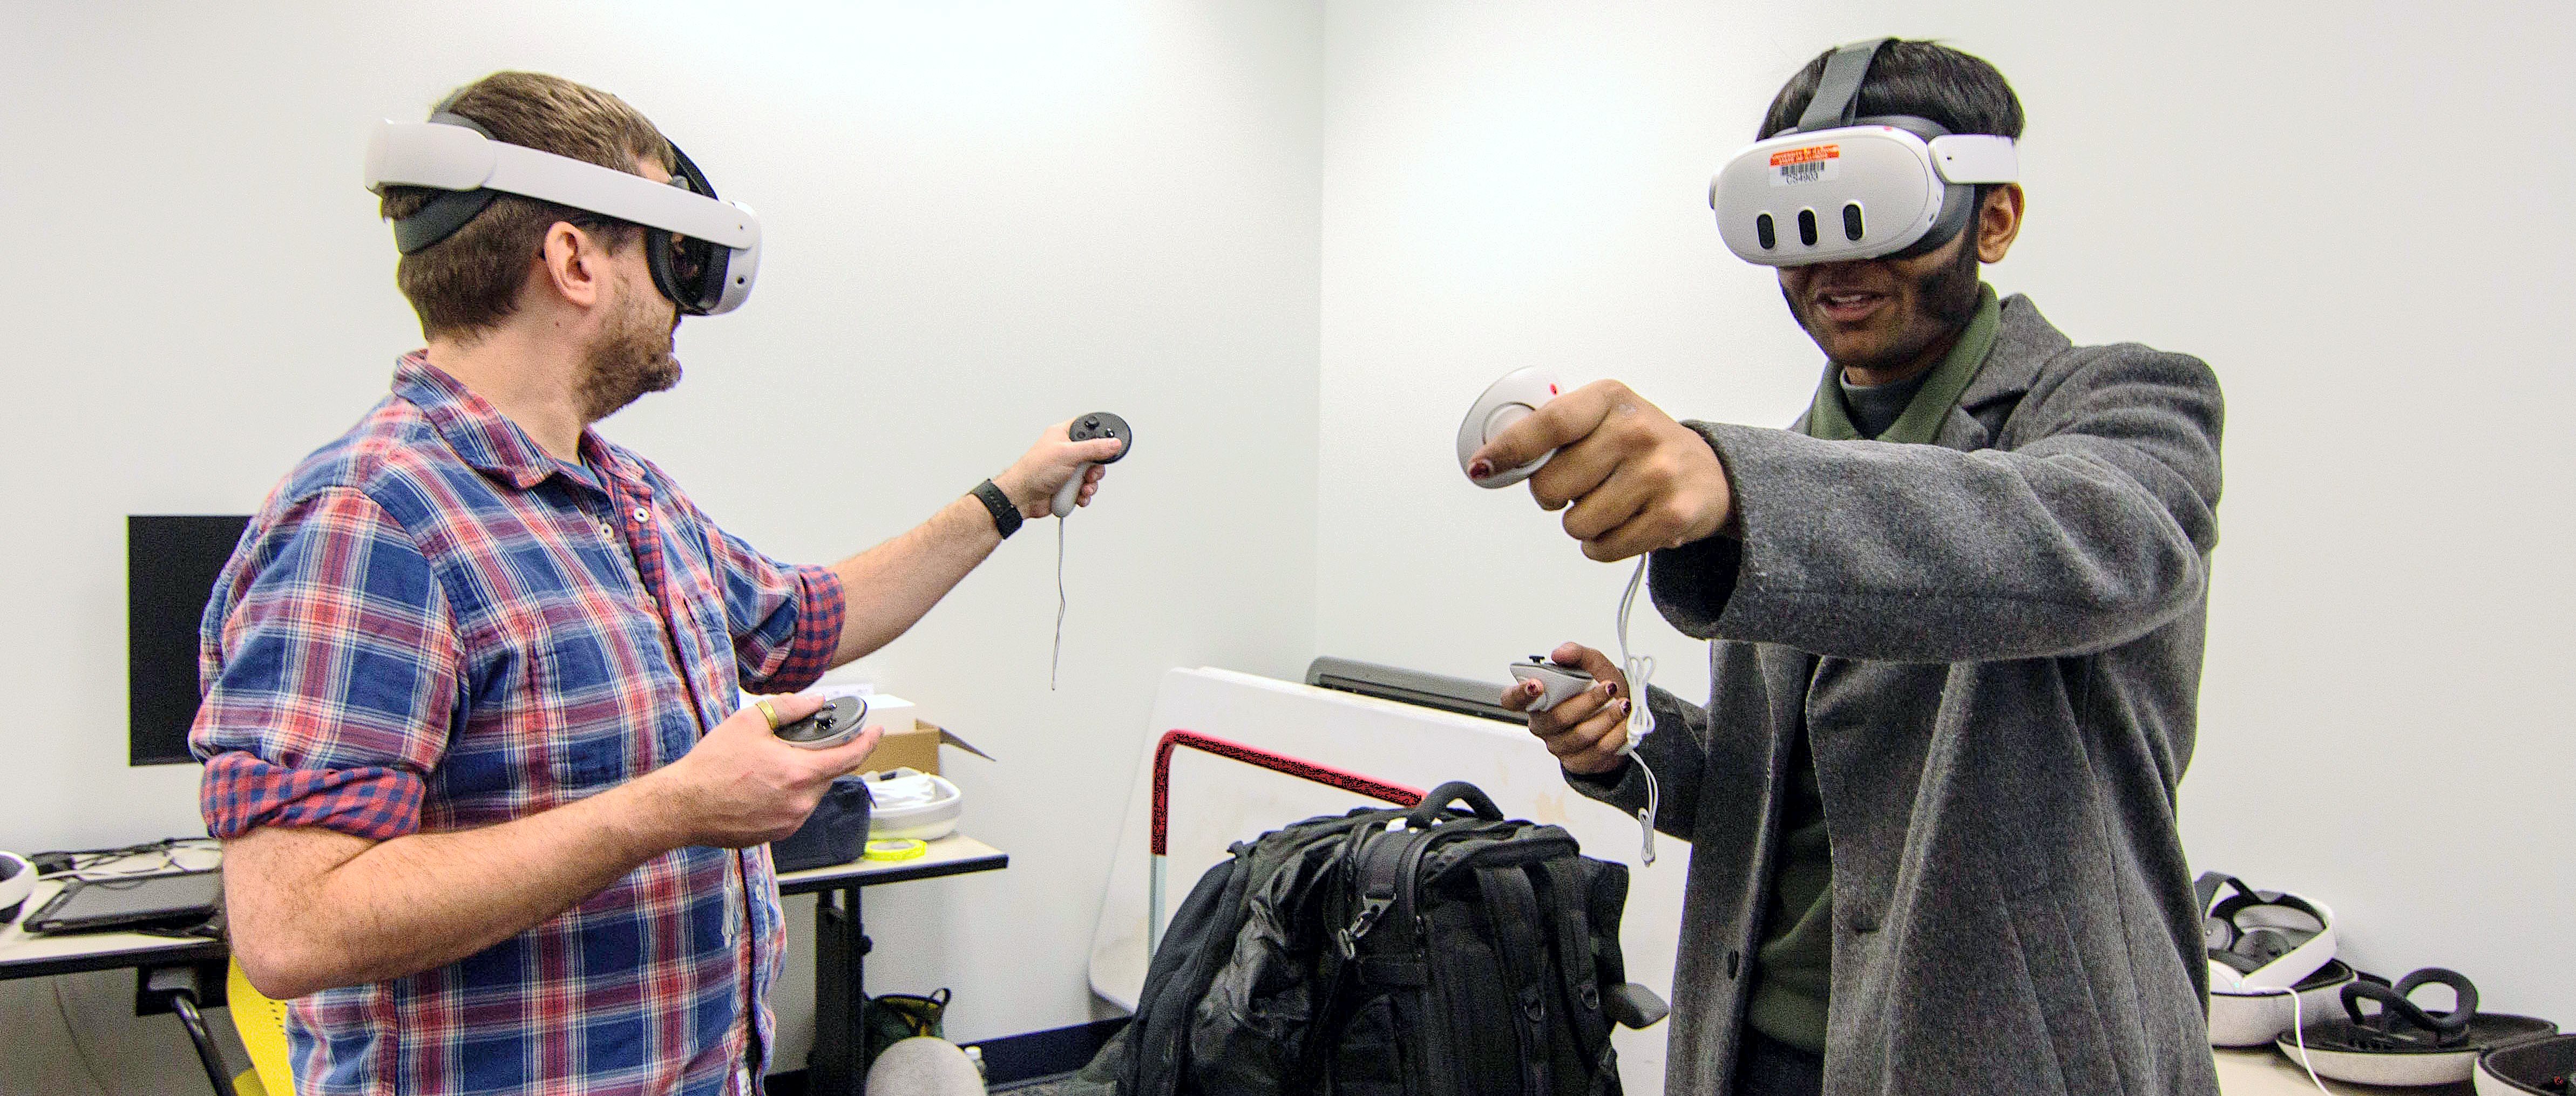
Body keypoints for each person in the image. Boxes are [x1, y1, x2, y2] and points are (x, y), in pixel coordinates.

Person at [190, 71, 1120, 1095]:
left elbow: (806, 621)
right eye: (669, 256)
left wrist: (1009, 497)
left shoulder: (625, 497)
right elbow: (294, 922)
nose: (687, 300)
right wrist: (675, 807)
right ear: (575, 261)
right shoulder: (371, 520)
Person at [1474, 40, 2225, 1096]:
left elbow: (2104, 541)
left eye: (1878, 213)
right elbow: (1791, 788)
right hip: (1756, 1043)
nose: (1836, 263)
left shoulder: (2125, 404)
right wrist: (1632, 743)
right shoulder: (1792, 457)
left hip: (2007, 1054)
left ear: (1993, 217)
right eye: (1799, 228)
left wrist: (1739, 489)